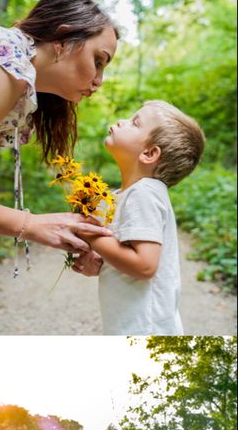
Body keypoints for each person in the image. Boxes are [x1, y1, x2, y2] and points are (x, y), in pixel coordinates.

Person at [0, 0, 118, 253]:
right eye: (98, 61)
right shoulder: (9, 66)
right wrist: (30, 224)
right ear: (62, 41)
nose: (99, 81)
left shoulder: (20, 82)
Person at [72, 100, 205, 334]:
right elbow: (127, 252)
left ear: (149, 153)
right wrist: (100, 261)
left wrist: (89, 235)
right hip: (132, 324)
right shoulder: (127, 195)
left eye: (135, 123)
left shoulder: (144, 192)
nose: (122, 122)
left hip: (146, 329)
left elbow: (144, 266)